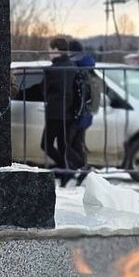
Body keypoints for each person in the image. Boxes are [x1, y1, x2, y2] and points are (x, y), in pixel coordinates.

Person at [41, 35, 83, 186]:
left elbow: (44, 91)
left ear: (56, 50)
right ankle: (68, 171)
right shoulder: (74, 67)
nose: (49, 53)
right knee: (63, 146)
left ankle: (68, 167)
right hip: (69, 113)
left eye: (50, 50)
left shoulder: (52, 70)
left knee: (46, 144)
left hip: (54, 113)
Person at [68, 39, 101, 185]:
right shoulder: (89, 64)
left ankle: (81, 169)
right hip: (87, 113)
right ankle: (81, 170)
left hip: (77, 113)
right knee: (77, 143)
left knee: (67, 144)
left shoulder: (75, 65)